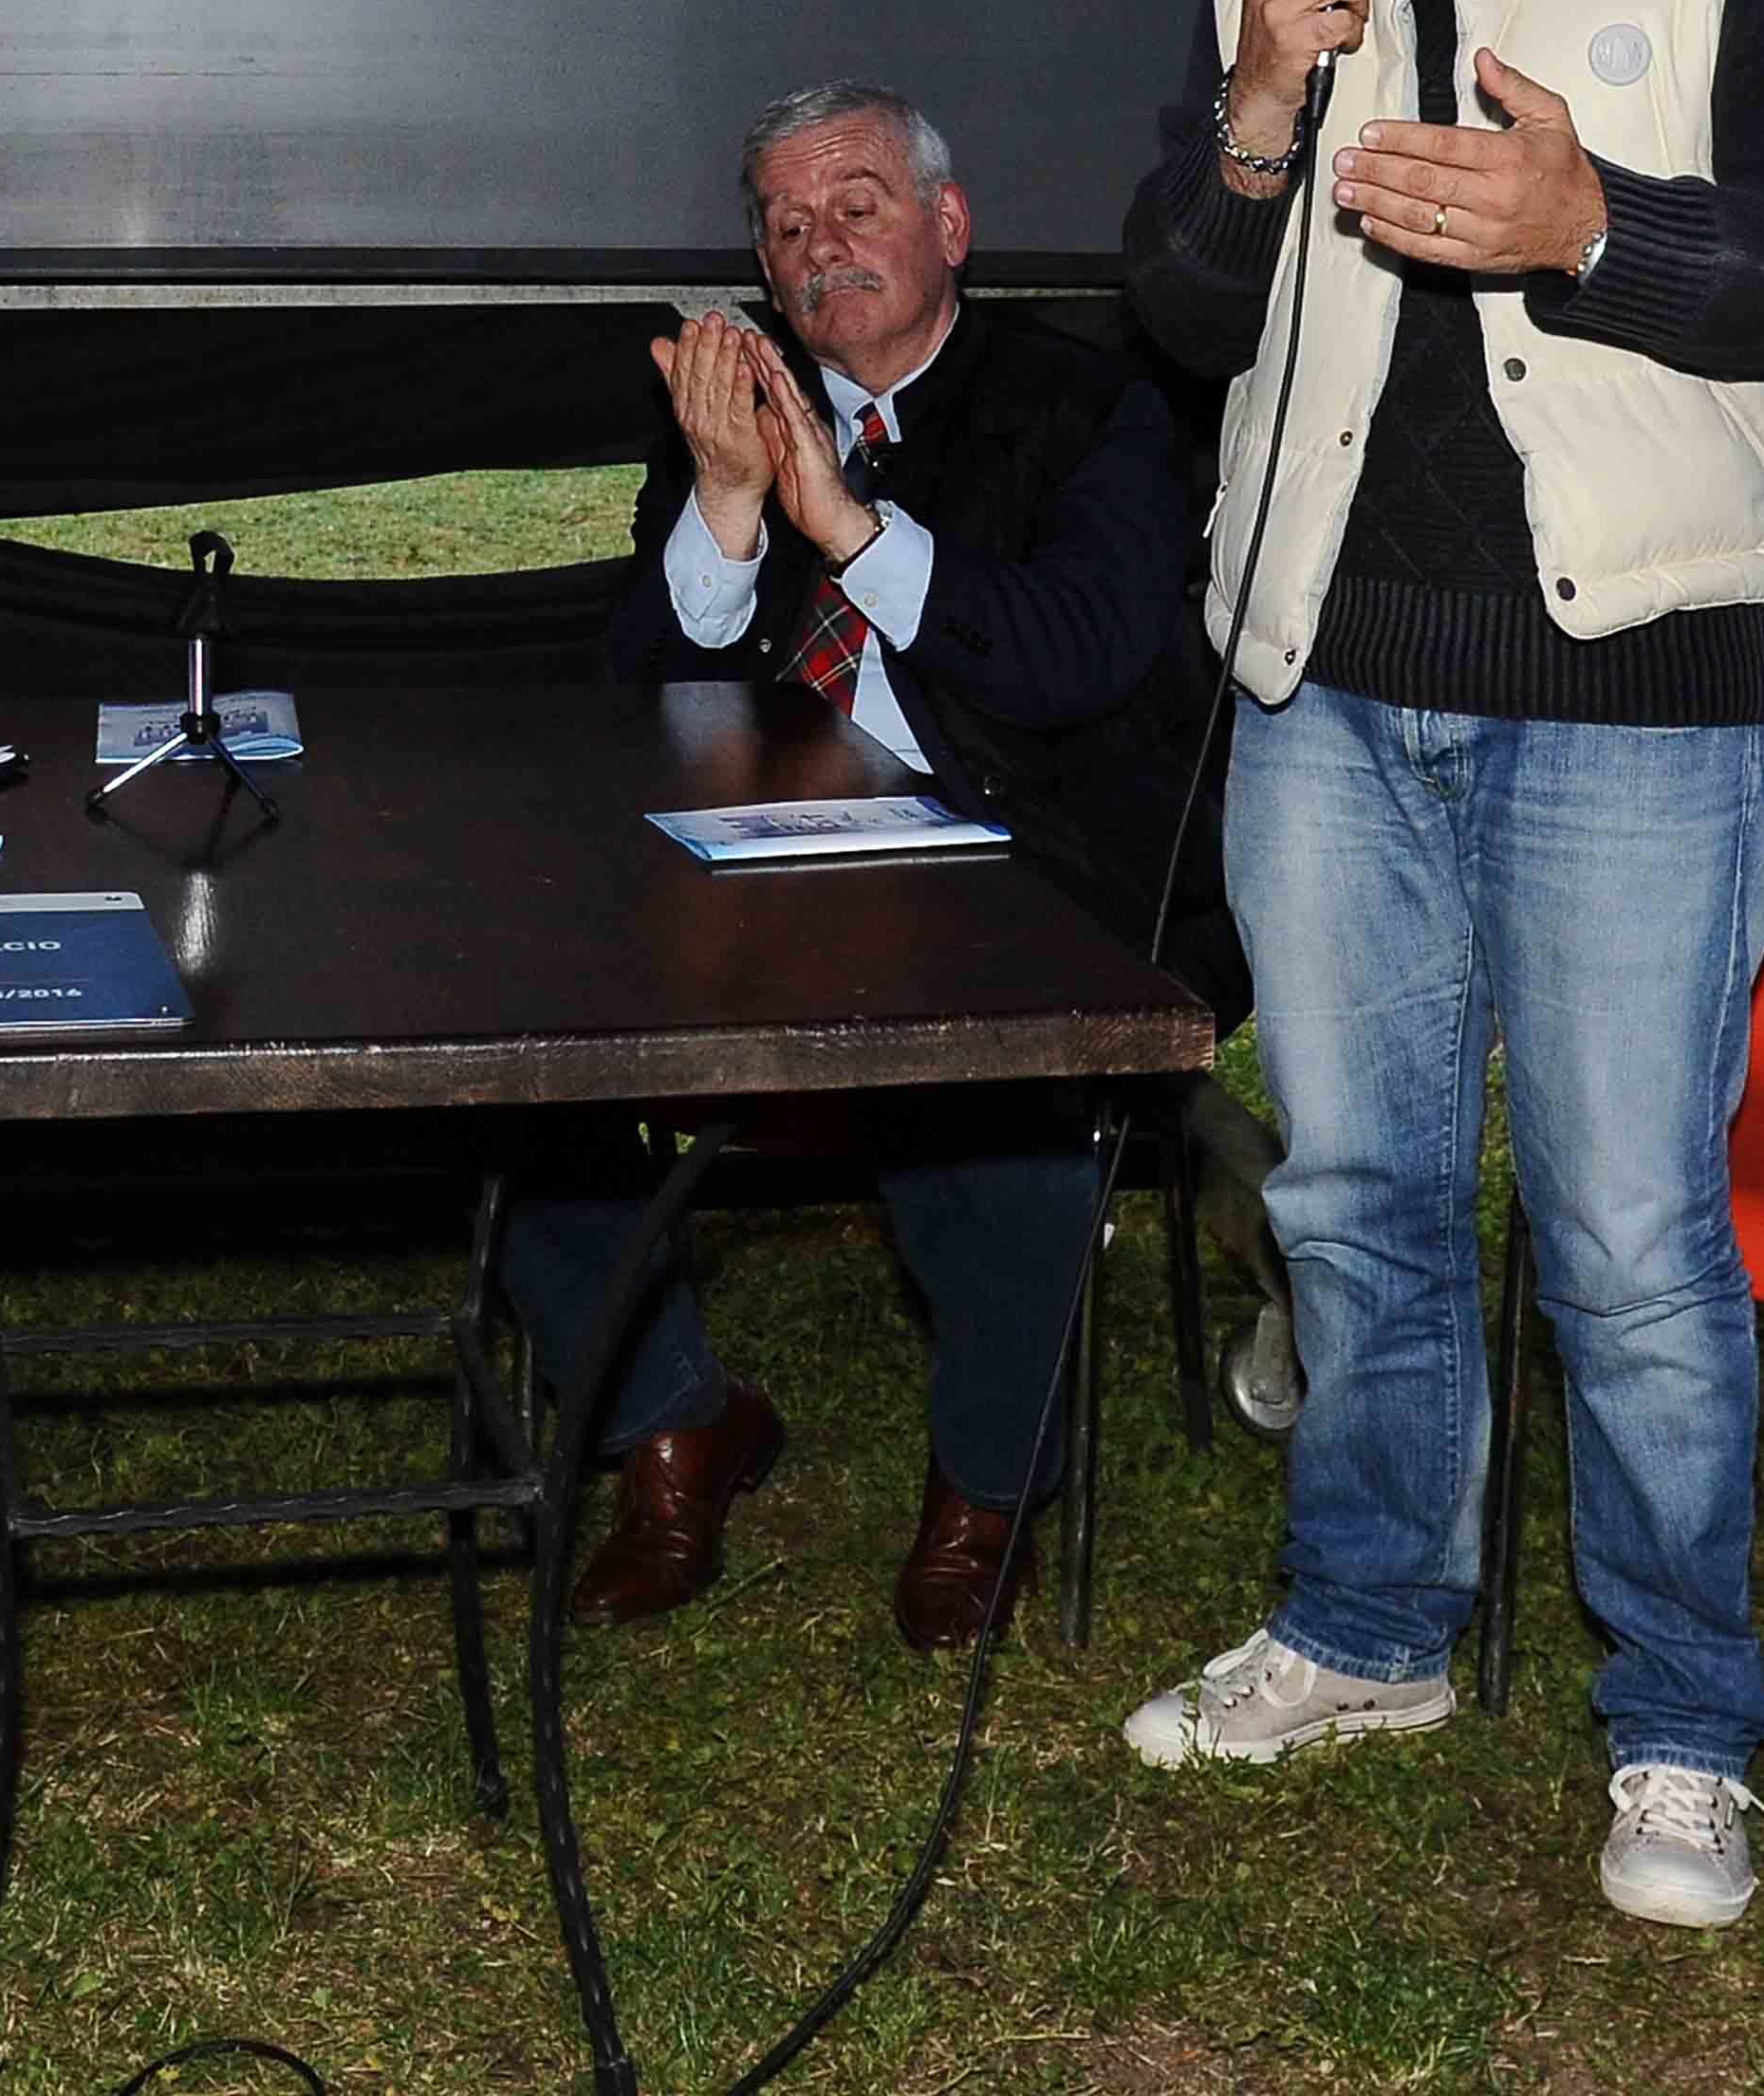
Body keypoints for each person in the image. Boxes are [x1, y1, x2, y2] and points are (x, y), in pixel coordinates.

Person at [1115, 0, 1764, 1929]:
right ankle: (1367, 1627)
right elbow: (1179, 309)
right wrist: (1260, 98)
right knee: (1350, 1197)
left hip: (1633, 686)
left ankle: (1682, 1719)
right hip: (1326, 685)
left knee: (1629, 1232)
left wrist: (1593, 230)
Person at [496, 80, 1242, 1651]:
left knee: (1011, 1074)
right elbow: (638, 702)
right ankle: (675, 1424)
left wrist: (845, 526)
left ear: (948, 225)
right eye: (786, 227)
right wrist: (726, 505)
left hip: (1024, 861)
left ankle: (987, 1486)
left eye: (856, 207)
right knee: (510, 1052)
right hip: (753, 868)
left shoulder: (1089, 403)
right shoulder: (734, 410)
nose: (820, 247)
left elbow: (1078, 658)